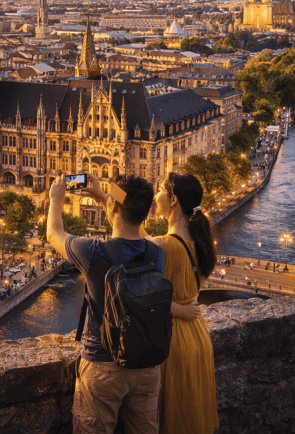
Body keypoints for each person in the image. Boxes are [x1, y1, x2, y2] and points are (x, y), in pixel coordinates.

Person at [46, 173, 163, 434]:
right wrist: (104, 197)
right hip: (147, 367)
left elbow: (53, 233)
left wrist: (56, 199)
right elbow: (132, 227)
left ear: (115, 206)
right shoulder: (157, 252)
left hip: (102, 365)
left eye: (112, 198)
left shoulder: (92, 252)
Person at [149, 173, 219, 434]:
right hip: (198, 337)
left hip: (173, 341)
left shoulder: (161, 246)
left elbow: (146, 299)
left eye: (159, 190)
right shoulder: (201, 243)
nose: (156, 196)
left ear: (173, 199)